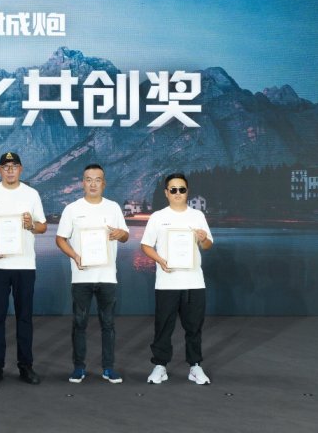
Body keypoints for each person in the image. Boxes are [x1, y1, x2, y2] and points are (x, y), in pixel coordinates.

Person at [0, 152, 47, 387]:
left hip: (24, 265)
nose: (10, 170)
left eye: (14, 166)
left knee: (24, 317)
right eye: (5, 167)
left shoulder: (31, 194)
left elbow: (43, 227)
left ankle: (26, 366)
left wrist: (31, 225)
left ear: (21, 169)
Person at [55, 164, 130, 384]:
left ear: (103, 183)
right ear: (83, 183)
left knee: (108, 324)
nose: (93, 183)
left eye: (97, 179)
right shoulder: (72, 209)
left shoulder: (113, 208)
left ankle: (108, 368)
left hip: (107, 276)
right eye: (89, 179)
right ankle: (79, 368)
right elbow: (60, 239)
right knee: (79, 324)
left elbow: (125, 236)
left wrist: (121, 233)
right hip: (82, 277)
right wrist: (75, 256)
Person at [140, 173, 214, 385]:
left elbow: (208, 245)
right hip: (167, 282)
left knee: (194, 327)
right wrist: (160, 260)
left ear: (187, 191)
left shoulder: (197, 216)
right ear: (166, 193)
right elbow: (145, 245)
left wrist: (203, 239)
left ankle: (195, 367)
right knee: (163, 327)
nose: (178, 193)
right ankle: (160, 366)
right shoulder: (157, 217)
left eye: (182, 189)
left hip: (194, 282)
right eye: (173, 189)